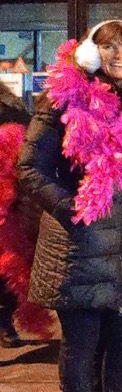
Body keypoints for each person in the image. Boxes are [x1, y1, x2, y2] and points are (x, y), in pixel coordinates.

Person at [21, 20, 122, 392]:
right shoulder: (63, 100)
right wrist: (70, 209)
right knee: (80, 355)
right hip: (79, 252)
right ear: (92, 53)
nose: (120, 55)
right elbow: (29, 167)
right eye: (110, 47)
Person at [0, 84, 40, 348]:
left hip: (10, 207)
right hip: (12, 206)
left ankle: (4, 322)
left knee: (10, 267)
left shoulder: (11, 110)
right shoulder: (14, 107)